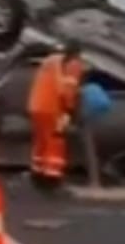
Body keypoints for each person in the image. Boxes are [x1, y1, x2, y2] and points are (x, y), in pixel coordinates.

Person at [28, 39, 84, 185]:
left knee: (41, 141)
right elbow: (68, 90)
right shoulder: (74, 65)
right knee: (56, 142)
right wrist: (69, 110)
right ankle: (51, 177)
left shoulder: (51, 60)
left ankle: (37, 172)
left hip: (36, 104)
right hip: (53, 108)